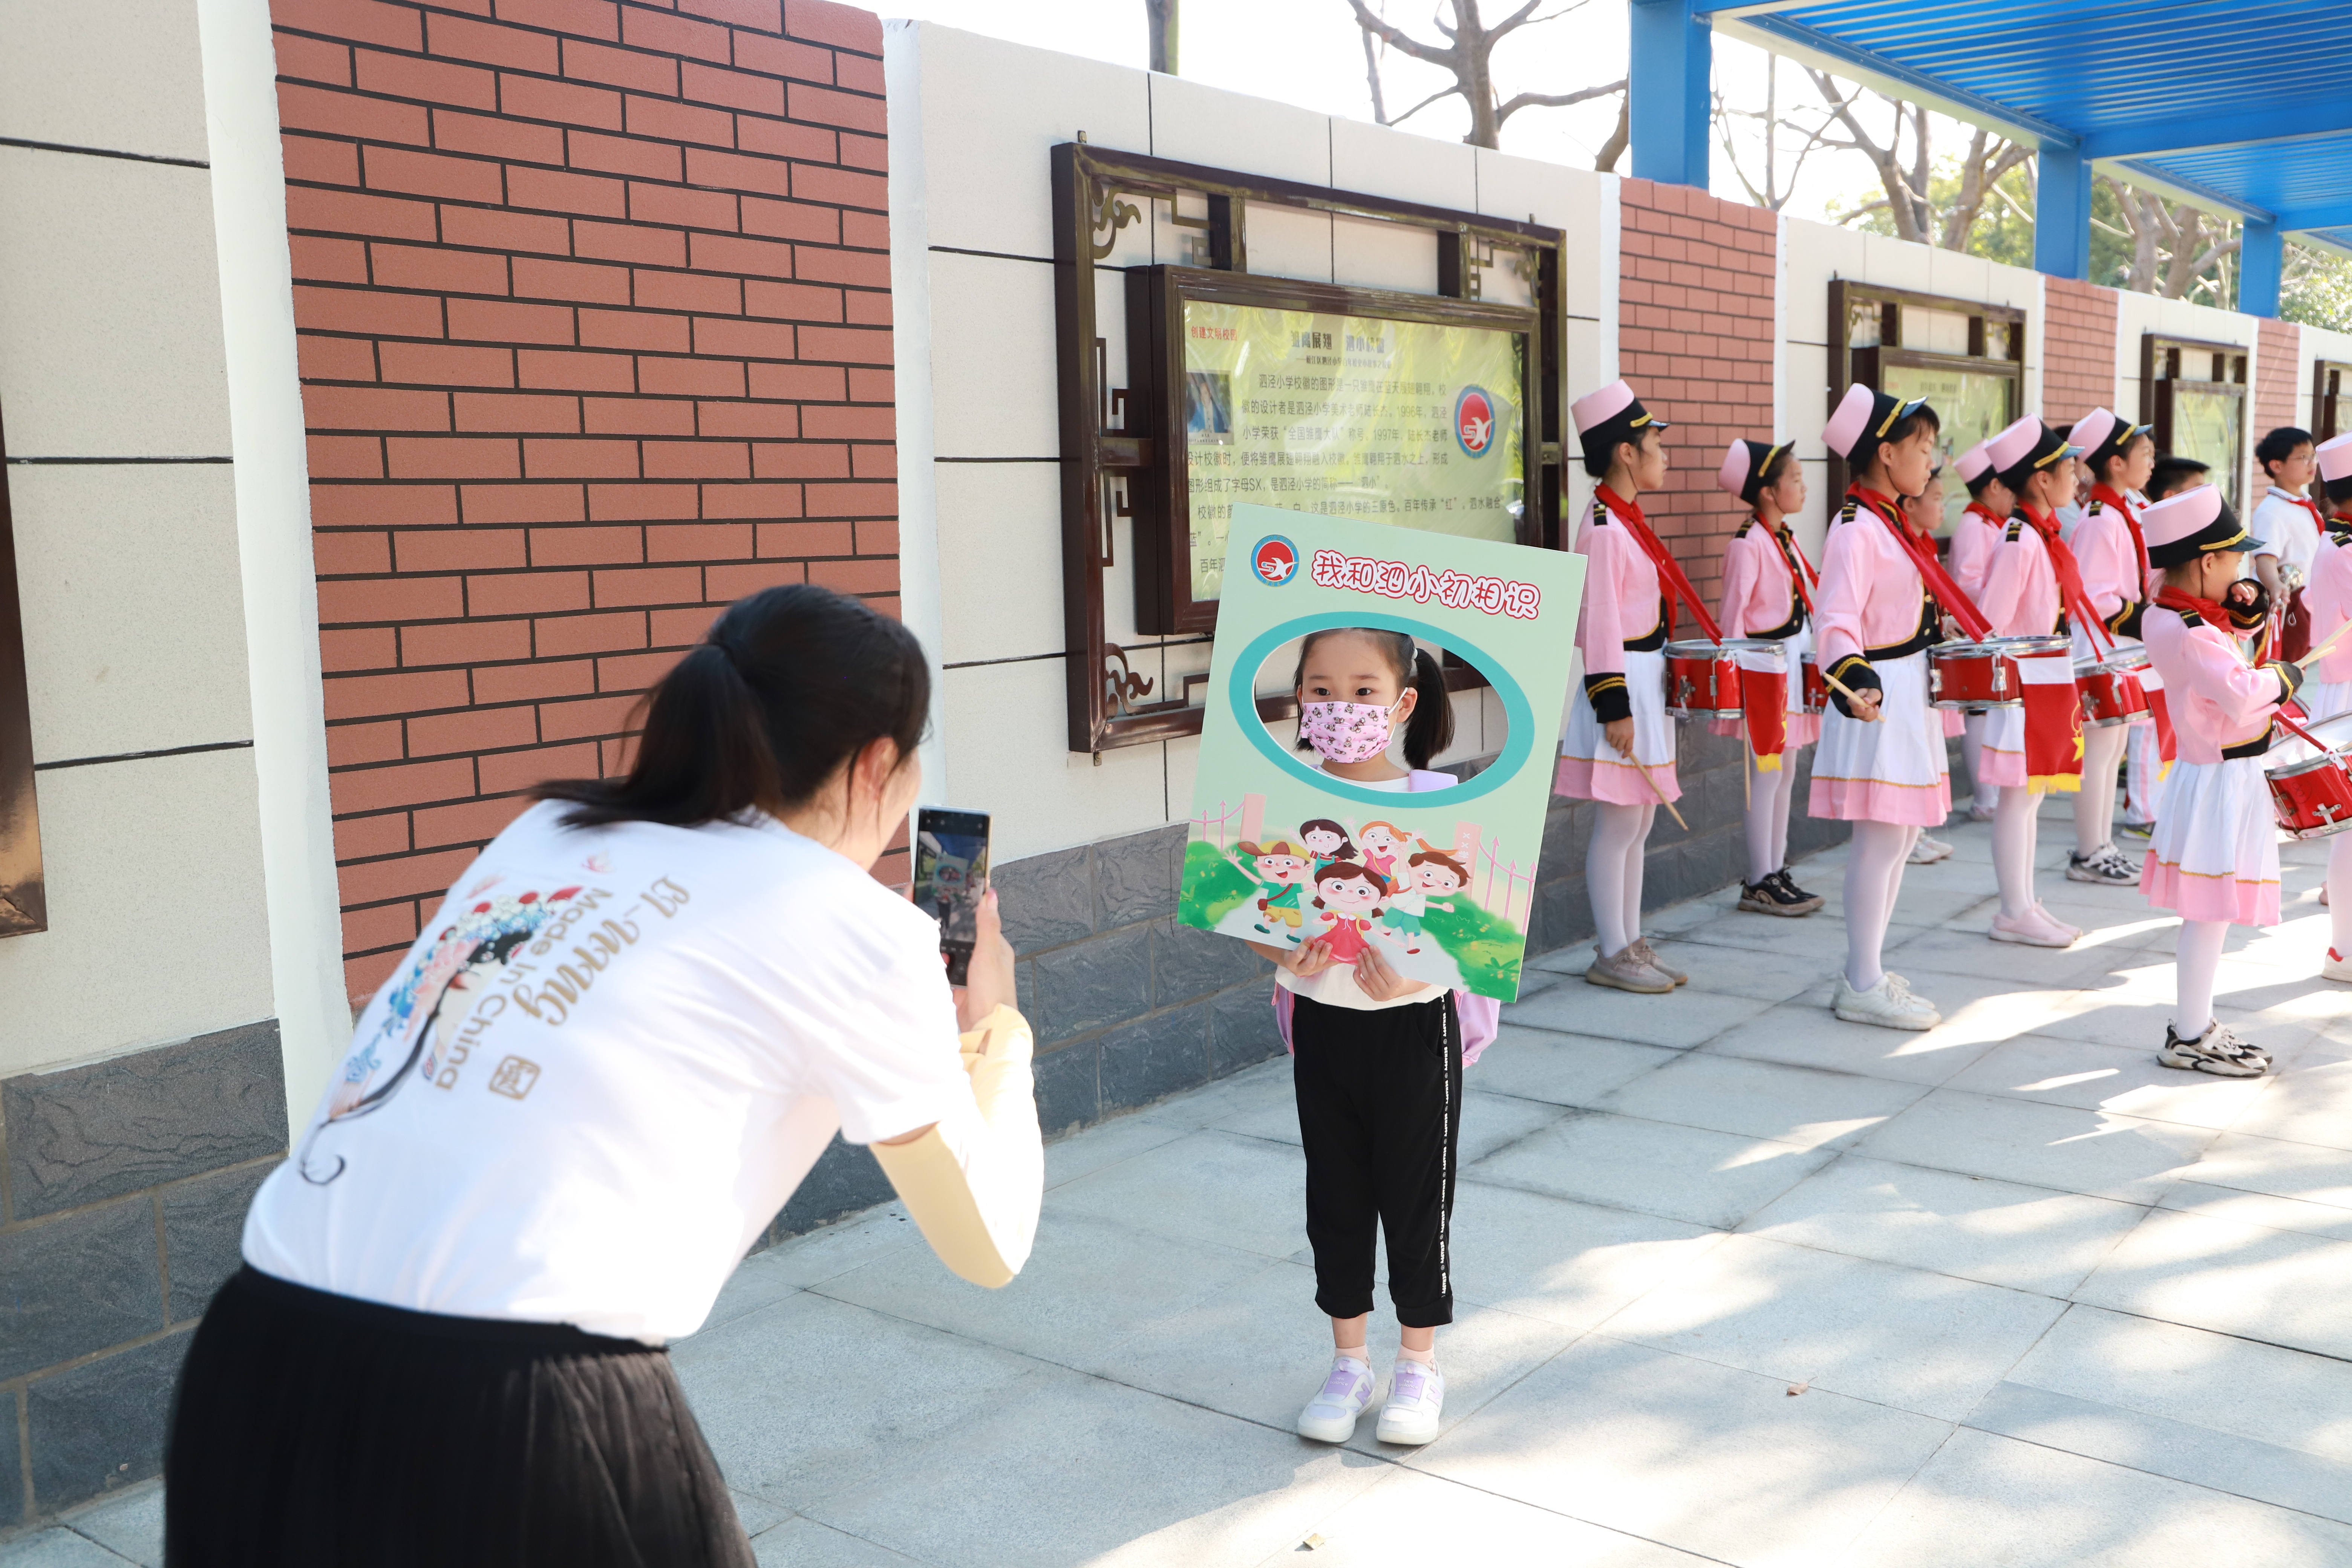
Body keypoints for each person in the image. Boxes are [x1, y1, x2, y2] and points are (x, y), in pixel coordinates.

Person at [169, 585, 1043, 1567]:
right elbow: (986, 1243)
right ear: (878, 763)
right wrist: (996, 1026)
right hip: (517, 1403)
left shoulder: (550, 835)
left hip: (259, 1354)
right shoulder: (858, 927)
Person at [1255, 626, 1463, 1449]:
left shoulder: (1439, 797)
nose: (1341, 706)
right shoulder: (1283, 797)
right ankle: (1349, 1362)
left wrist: (1416, 974)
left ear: (1403, 702)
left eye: (1364, 691)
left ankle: (1419, 1361)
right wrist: (1280, 947)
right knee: (1335, 1197)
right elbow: (1248, 911)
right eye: (1322, 688)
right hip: (1324, 1025)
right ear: (1300, 697)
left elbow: (1471, 925)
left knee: (1415, 1200)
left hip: (1414, 1028)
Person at [1811, 383, 1963, 1029]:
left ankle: (1870, 968)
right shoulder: (1856, 528)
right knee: (1879, 839)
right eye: (1923, 447)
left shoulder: (1889, 521)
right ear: (1885, 452)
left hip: (1907, 688)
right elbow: (1836, 620)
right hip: (1878, 694)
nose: (1931, 460)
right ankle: (1862, 980)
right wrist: (1856, 681)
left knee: (1900, 836)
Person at [2138, 483, 2299, 1075]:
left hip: (2208, 774)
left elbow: (2222, 636)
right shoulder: (2192, 631)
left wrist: (2245, 613)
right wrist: (2282, 677)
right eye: (2234, 560)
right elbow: (2240, 691)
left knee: (2212, 911)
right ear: (2206, 562)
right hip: (2222, 781)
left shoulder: (2167, 613)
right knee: (2211, 911)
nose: (2241, 570)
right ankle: (2190, 1033)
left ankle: (2194, 1026)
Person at [1557, 380, 1699, 994]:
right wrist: (1613, 705)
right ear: (1624, 453)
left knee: (1640, 820)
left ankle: (1630, 939)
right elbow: (1601, 623)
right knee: (1619, 823)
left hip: (1644, 679)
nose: (1662, 457)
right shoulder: (1607, 528)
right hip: (1619, 684)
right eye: (1653, 445)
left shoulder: (1626, 521)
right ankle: (1611, 949)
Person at [1975, 415, 2091, 949]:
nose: (2077, 474)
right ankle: (2012, 909)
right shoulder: (2020, 539)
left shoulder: (2042, 535)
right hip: (2024, 685)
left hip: (2046, 680)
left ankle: (2024, 903)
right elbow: (1991, 625)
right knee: (2018, 799)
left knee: (2034, 796)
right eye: (2069, 466)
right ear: (2042, 479)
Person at [1715, 436, 1825, 916]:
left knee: (1788, 770)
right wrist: (1734, 686)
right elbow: (1732, 620)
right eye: (1795, 479)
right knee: (1767, 772)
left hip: (1793, 669)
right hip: (1764, 676)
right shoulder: (1748, 544)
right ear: (1767, 491)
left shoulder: (1787, 537)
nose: (1803, 486)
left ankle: (1776, 868)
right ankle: (1759, 877)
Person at [2063, 409, 2159, 887]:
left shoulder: (2122, 510)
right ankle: (2089, 850)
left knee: (2113, 746)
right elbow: (2098, 599)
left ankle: (2101, 844)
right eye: (2143, 452)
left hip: (2118, 647)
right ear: (2116, 463)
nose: (2152, 459)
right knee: (2099, 751)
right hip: (2102, 646)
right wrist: (2149, 618)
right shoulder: (2103, 519)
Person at [2303, 432, 2352, 981]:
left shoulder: (2335, 541)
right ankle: (2344, 949)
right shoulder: (2343, 549)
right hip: (2348, 693)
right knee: (2350, 833)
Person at [1949, 439, 2012, 822]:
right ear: (1992, 487)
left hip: (1991, 630)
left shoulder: (1992, 523)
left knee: (1989, 712)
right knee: (1979, 713)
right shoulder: (1975, 526)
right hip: (1978, 630)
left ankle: (1991, 792)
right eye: (2009, 487)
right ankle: (1983, 797)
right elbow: (1966, 581)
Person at [1902, 470, 1958, 867]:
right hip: (1899, 667)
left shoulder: (1923, 544)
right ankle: (1912, 831)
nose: (1942, 506)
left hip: (1924, 661)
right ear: (1910, 504)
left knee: (1923, 751)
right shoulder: (1899, 542)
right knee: (1909, 752)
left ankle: (1918, 829)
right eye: (1935, 497)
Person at [2251, 427, 2323, 660]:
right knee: (2283, 670)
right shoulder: (2272, 511)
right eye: (2303, 457)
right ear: (2277, 466)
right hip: (2288, 606)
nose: (2312, 462)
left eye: (2313, 455)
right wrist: (2275, 585)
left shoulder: (2304, 505)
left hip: (2309, 602)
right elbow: (2265, 559)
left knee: (2299, 667)